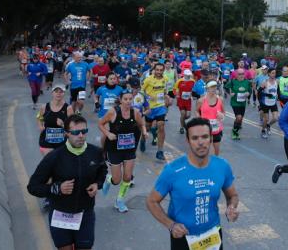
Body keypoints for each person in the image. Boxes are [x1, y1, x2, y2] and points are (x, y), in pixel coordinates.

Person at [146, 118, 239, 250]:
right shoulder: (173, 170)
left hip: (213, 235)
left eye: (205, 137)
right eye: (195, 138)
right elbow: (151, 201)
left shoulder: (222, 166)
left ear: (211, 139)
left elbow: (233, 195)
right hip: (183, 237)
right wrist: (171, 225)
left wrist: (232, 207)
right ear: (188, 141)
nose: (200, 142)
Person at [27, 115, 107, 250]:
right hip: (61, 214)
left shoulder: (95, 152)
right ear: (66, 134)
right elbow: (33, 187)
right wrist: (57, 188)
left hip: (85, 213)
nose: (81, 135)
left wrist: (97, 184)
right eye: (76, 132)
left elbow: (102, 171)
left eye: (84, 131)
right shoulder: (54, 157)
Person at [98, 91, 147, 212]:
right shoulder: (113, 112)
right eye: (125, 99)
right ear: (120, 100)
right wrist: (108, 133)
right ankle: (109, 180)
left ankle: (119, 200)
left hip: (130, 149)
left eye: (130, 99)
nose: (128, 101)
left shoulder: (135, 112)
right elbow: (100, 124)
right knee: (117, 180)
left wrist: (145, 131)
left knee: (127, 177)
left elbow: (142, 124)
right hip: (114, 149)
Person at [142, 62, 168, 160]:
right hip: (150, 108)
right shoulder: (148, 79)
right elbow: (141, 91)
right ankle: (143, 140)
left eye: (161, 70)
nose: (159, 72)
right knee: (147, 128)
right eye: (157, 70)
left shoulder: (165, 79)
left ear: (163, 70)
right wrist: (148, 97)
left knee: (161, 126)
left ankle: (160, 151)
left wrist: (167, 96)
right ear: (154, 70)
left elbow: (165, 91)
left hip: (160, 107)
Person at [197, 81, 225, 156]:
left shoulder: (220, 99)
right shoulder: (201, 100)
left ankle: (214, 165)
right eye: (211, 87)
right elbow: (197, 111)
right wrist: (200, 121)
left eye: (215, 87)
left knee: (216, 152)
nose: (213, 89)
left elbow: (223, 112)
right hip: (205, 129)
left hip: (217, 129)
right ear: (207, 88)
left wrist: (221, 116)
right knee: (209, 151)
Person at [225, 68, 251, 140]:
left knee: (240, 119)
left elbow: (250, 90)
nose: (241, 75)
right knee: (239, 117)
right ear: (236, 75)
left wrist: (248, 93)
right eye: (239, 74)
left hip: (243, 103)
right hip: (235, 103)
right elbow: (226, 87)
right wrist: (230, 93)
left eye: (243, 74)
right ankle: (234, 132)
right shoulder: (233, 81)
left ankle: (236, 129)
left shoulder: (247, 82)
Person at [259, 68, 279, 139]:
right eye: (272, 73)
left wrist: (277, 95)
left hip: (273, 103)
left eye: (275, 73)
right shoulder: (265, 82)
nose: (274, 74)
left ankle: (268, 125)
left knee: (276, 118)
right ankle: (263, 131)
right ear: (269, 74)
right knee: (266, 119)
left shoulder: (277, 81)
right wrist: (266, 95)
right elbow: (259, 92)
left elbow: (277, 90)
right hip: (266, 103)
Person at [173, 69, 195, 134]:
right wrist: (176, 95)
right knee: (183, 113)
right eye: (187, 75)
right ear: (184, 74)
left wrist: (193, 95)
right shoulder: (179, 81)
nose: (188, 76)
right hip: (181, 100)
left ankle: (182, 121)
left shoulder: (192, 81)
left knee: (188, 115)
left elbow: (194, 90)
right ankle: (182, 127)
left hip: (188, 100)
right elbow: (174, 89)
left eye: (189, 75)